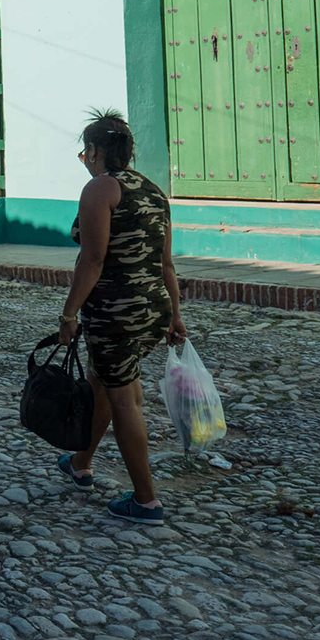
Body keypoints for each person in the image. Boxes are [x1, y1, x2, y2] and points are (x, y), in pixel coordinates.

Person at [55, 110, 185, 525]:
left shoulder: (100, 189)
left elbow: (92, 259)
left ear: (95, 151)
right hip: (152, 309)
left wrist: (68, 313)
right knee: (103, 381)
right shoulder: (152, 191)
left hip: (115, 312)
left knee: (125, 399)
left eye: (84, 153)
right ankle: (81, 462)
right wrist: (176, 315)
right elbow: (166, 263)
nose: (85, 160)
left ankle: (146, 501)